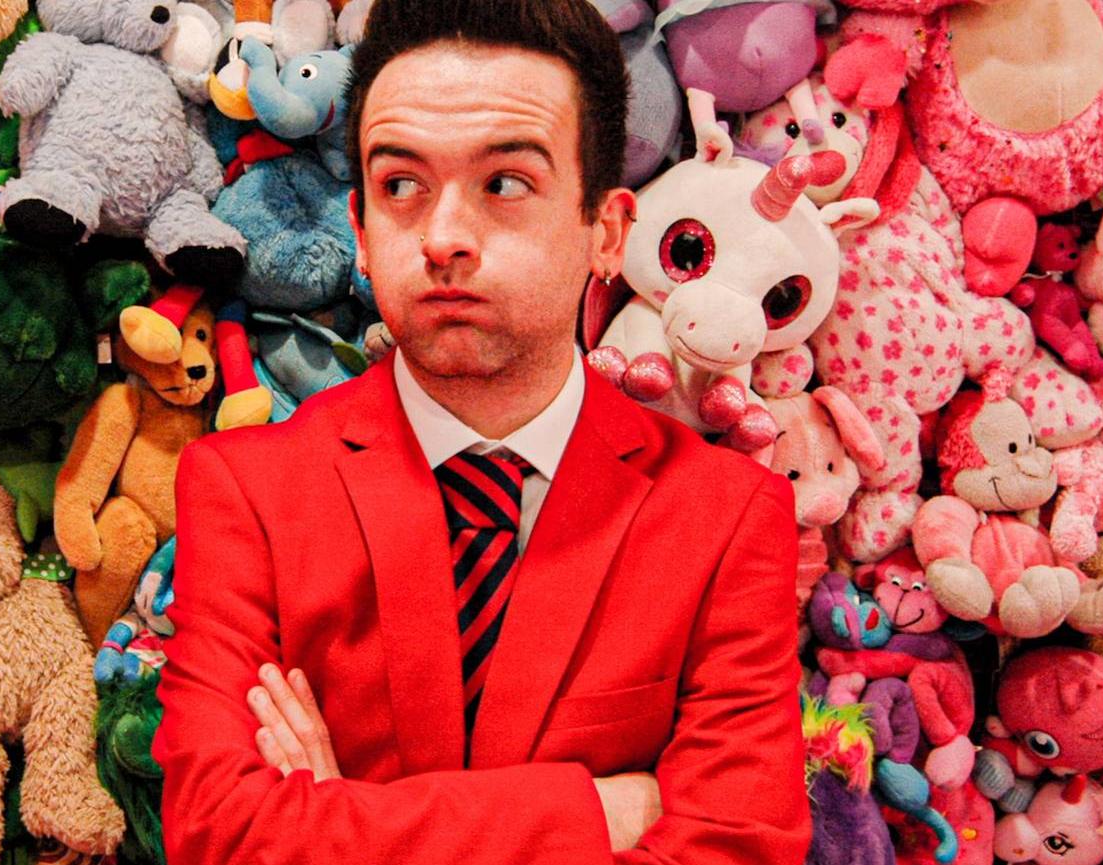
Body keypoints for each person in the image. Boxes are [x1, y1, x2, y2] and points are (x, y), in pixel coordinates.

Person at [153, 1, 810, 862]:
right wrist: (596, 814)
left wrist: (335, 820)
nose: (445, 237)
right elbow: (220, 838)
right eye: (401, 186)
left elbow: (741, 849)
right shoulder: (247, 492)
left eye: (505, 184)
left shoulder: (724, 518)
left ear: (605, 231)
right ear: (358, 230)